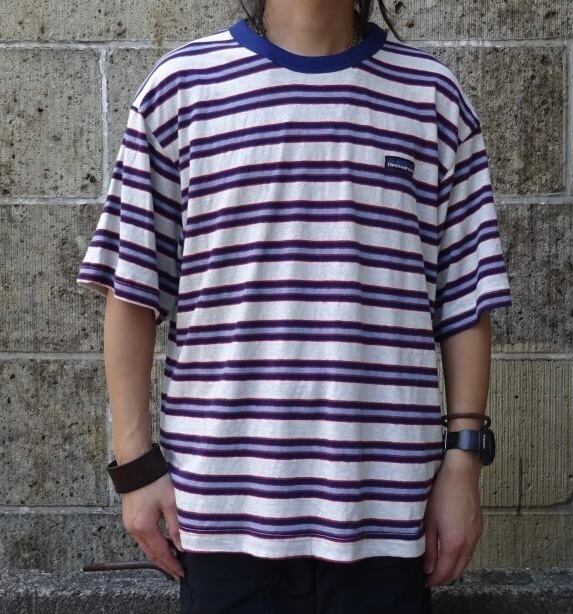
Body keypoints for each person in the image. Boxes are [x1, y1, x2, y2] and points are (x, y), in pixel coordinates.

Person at [76, 0, 513, 611]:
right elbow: (131, 289)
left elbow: (467, 300)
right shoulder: (181, 89)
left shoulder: (432, 98)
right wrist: (135, 468)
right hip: (223, 511)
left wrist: (462, 467)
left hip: (388, 509)